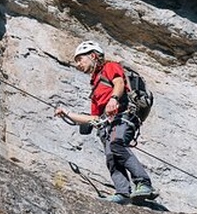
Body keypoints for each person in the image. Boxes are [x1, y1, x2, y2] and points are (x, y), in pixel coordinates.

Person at [54, 40, 158, 205]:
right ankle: (123, 192)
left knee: (117, 144)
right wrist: (67, 113)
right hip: (107, 124)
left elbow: (119, 83)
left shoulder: (109, 67)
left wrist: (114, 99)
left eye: (80, 59)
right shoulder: (96, 87)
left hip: (123, 116)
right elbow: (93, 118)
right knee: (111, 157)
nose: (78, 64)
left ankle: (144, 183)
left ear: (93, 56)